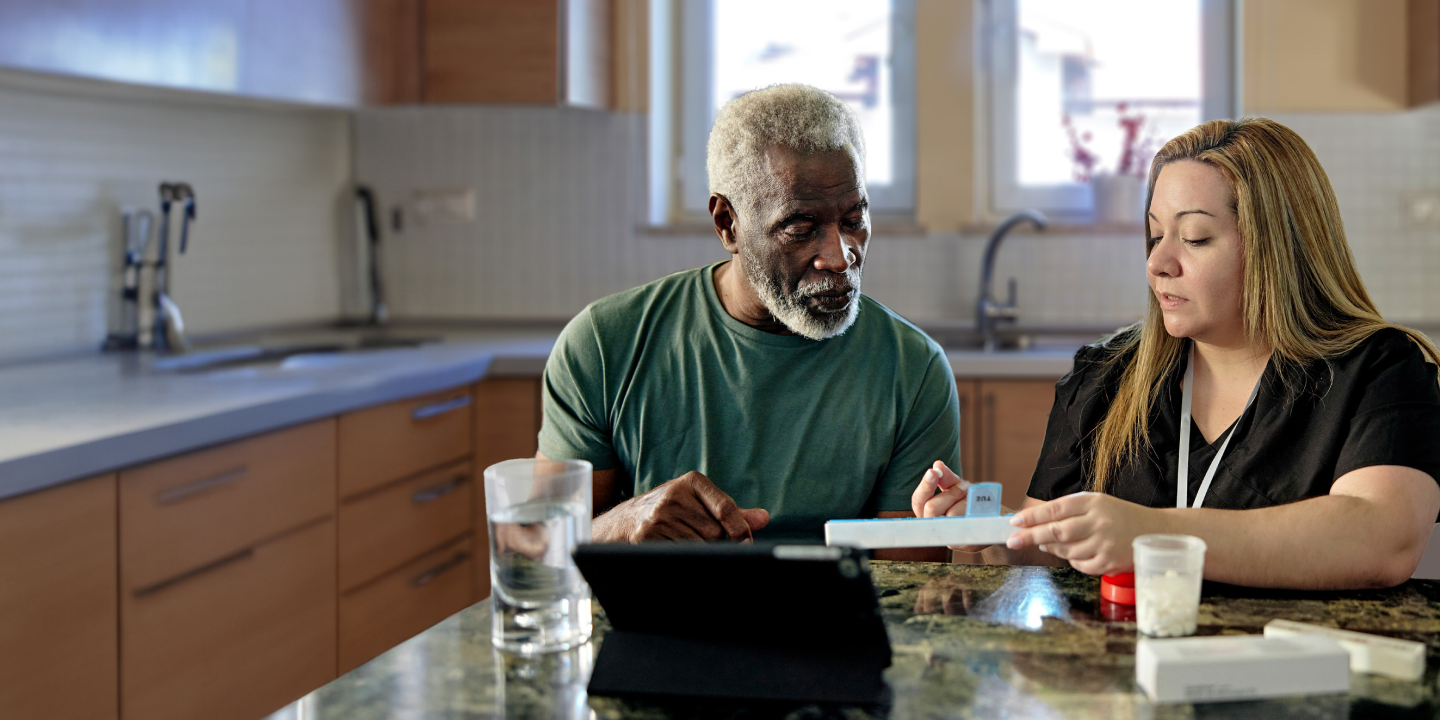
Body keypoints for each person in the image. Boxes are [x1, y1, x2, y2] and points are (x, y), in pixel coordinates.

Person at [913, 118, 1440, 589]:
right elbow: (1049, 553)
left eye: (1194, 237)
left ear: (1278, 248)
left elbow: (1382, 538)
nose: (1158, 262)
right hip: (1123, 683)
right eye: (1155, 234)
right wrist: (991, 531)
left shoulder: (1380, 369)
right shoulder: (1103, 374)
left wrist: (1146, 533)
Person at [537, 84, 960, 552]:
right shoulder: (604, 345)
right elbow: (536, 543)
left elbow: (909, 585)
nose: (840, 258)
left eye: (854, 219)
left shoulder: (913, 369)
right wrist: (626, 523)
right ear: (727, 224)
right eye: (801, 228)